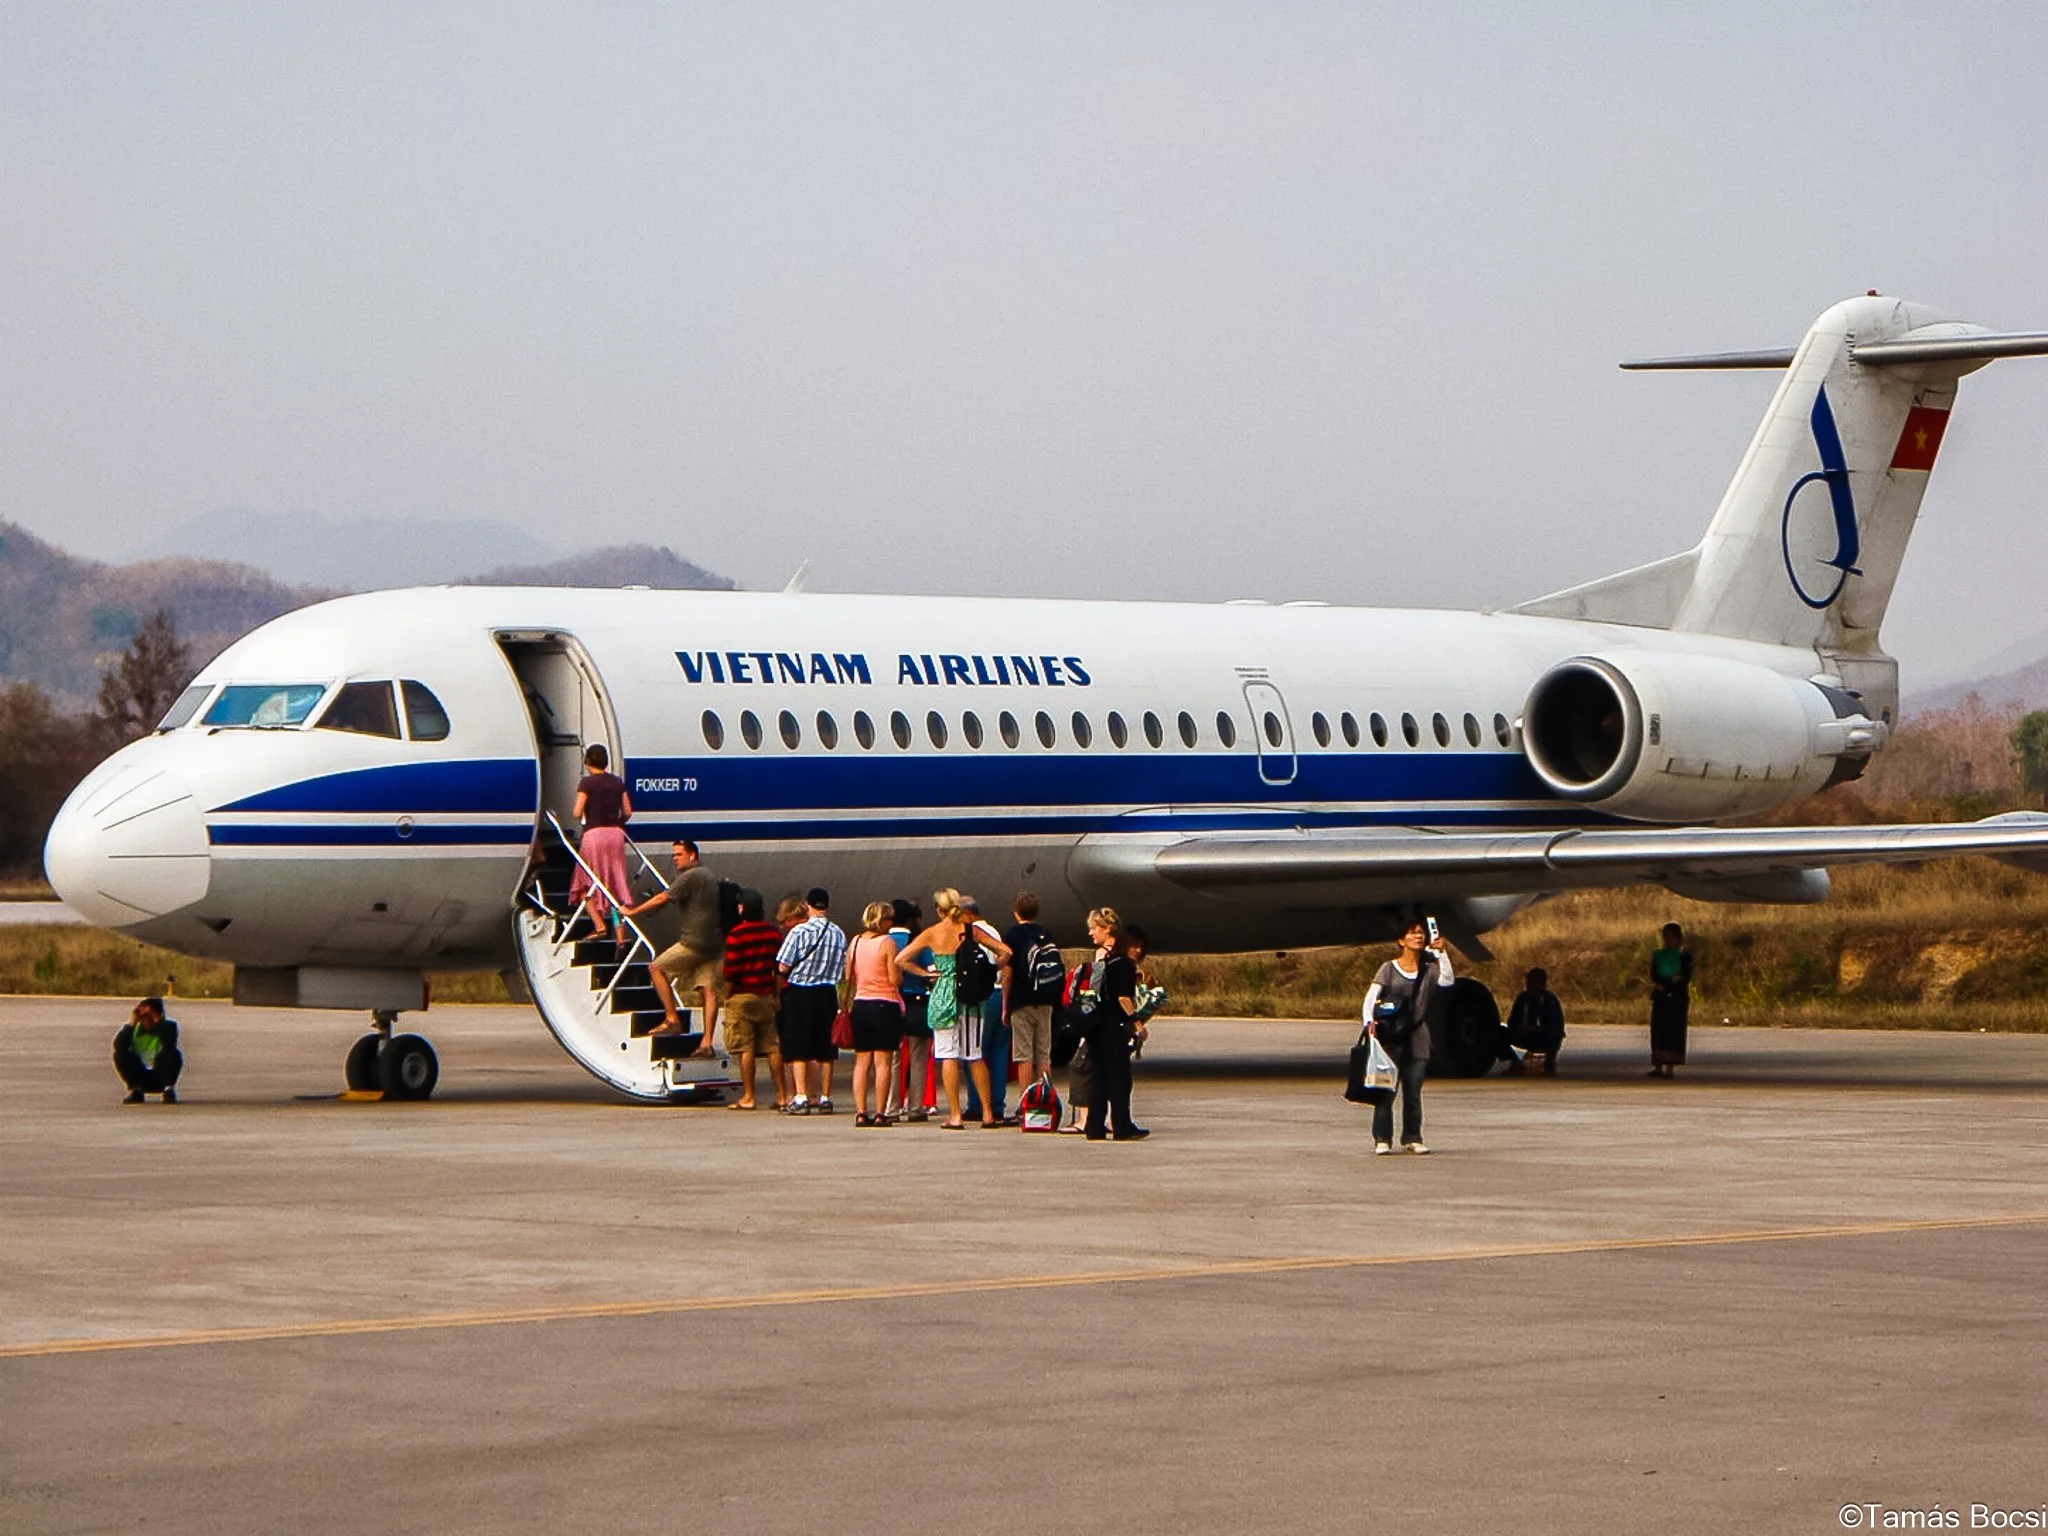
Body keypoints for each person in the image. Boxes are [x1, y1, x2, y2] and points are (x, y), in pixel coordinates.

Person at [894, 888, 1011, 1129]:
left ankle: (956, 1115)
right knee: (975, 1054)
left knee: (949, 1055)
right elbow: (1006, 951)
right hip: (970, 995)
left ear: (939, 909)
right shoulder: (970, 929)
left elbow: (901, 959)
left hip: (944, 992)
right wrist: (990, 970)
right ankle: (988, 1113)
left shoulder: (932, 933)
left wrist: (926, 973)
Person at [1361, 921, 1452, 1155]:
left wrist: (1442, 953)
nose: (1418, 937)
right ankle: (1382, 1138)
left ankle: (1413, 1137)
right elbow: (1372, 997)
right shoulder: (1388, 969)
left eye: (1421, 933)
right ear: (1401, 940)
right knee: (1385, 1090)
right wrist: (1369, 1023)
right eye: (1412, 933)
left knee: (1413, 1091)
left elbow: (1447, 981)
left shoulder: (1429, 969)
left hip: (1417, 1035)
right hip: (1390, 1036)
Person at [623, 840, 723, 1048]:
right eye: (674, 855)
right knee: (709, 991)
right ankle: (706, 1043)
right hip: (713, 944)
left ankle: (672, 1019)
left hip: (693, 942)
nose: (675, 859)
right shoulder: (708, 875)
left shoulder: (690, 876)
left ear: (692, 855)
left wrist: (633, 912)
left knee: (656, 968)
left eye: (679, 854)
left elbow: (663, 897)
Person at [777, 887, 848, 1113]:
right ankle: (825, 1096)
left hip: (801, 992)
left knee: (799, 1046)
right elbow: (842, 968)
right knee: (826, 1049)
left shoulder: (799, 932)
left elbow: (783, 965)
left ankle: (800, 1097)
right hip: (827, 992)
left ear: (808, 905)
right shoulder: (838, 933)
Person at [1078, 908, 1147, 1140]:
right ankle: (1122, 1126)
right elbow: (1123, 997)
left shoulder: (1099, 959)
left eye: (1093, 928)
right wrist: (1137, 1023)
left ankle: (1094, 1127)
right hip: (1114, 1027)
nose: (1091, 932)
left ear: (1107, 929)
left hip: (1096, 1025)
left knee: (1098, 1078)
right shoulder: (1122, 963)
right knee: (1119, 1079)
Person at [720, 888, 785, 1110]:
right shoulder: (773, 933)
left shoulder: (737, 934)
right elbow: (778, 967)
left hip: (742, 996)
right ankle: (782, 1095)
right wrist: (776, 995)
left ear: (742, 908)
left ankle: (749, 1096)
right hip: (765, 994)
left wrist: (726, 996)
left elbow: (730, 971)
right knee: (772, 1046)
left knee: (745, 1046)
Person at [845, 902, 904, 1126]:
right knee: (883, 1062)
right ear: (883, 920)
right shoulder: (887, 942)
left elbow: (848, 974)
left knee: (862, 1061)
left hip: (861, 1003)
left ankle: (861, 1111)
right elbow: (894, 980)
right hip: (884, 1003)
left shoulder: (856, 941)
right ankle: (880, 1112)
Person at [566, 744, 633, 941]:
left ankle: (599, 924)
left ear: (587, 762)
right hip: (616, 834)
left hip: (594, 835)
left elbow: (577, 812)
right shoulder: (617, 782)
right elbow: (628, 811)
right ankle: (620, 935)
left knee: (585, 882)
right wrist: (617, 823)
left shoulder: (587, 783)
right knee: (614, 884)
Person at [1002, 891, 1063, 1097]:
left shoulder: (1012, 935)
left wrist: (1005, 1005)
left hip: (1022, 1001)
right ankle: (1045, 1097)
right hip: (1046, 1001)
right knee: (1043, 1054)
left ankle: (1026, 1100)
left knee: (1024, 1055)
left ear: (1016, 912)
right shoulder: (1046, 934)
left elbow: (1008, 974)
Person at [960, 896, 1011, 1123]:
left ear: (968, 915)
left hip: (983, 996)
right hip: (1000, 993)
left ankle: (977, 1104)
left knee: (975, 1052)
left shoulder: (973, 933)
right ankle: (997, 1104)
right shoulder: (994, 931)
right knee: (998, 1053)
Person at [886, 898, 932, 1122]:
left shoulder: (885, 941)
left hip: (892, 1002)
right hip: (918, 1001)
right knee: (918, 1058)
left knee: (893, 1059)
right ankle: (915, 1106)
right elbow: (933, 971)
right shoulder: (919, 941)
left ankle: (891, 1107)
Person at [113, 996, 182, 1103]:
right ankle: (136, 1090)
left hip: (161, 1076)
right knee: (120, 1055)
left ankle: (168, 1090)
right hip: (141, 1076)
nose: (146, 1021)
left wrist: (157, 1020)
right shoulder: (133, 1030)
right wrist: (132, 1023)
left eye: (149, 1017)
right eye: (143, 1017)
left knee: (172, 1053)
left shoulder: (169, 1027)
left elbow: (169, 1043)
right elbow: (118, 1046)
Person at [1649, 923, 1693, 1078]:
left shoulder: (1684, 956)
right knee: (1658, 1030)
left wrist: (1670, 984)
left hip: (1677, 997)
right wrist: (1664, 983)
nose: (1668, 940)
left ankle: (1670, 1068)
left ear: (1679, 939)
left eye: (1671, 937)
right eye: (1665, 937)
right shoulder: (1658, 955)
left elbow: (1685, 976)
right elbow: (1654, 974)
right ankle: (1658, 1065)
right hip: (1661, 997)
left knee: (1674, 1031)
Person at [1505, 967, 1566, 1074]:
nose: (1528, 987)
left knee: (1555, 1035)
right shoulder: (1522, 998)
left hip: (1543, 1037)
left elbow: (1556, 1025)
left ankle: (1549, 1064)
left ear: (1542, 985)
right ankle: (1515, 1062)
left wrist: (1535, 1029)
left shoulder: (1550, 1001)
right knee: (1499, 1032)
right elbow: (1512, 1020)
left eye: (1532, 984)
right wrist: (1518, 1028)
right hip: (1523, 1035)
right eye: (1528, 983)